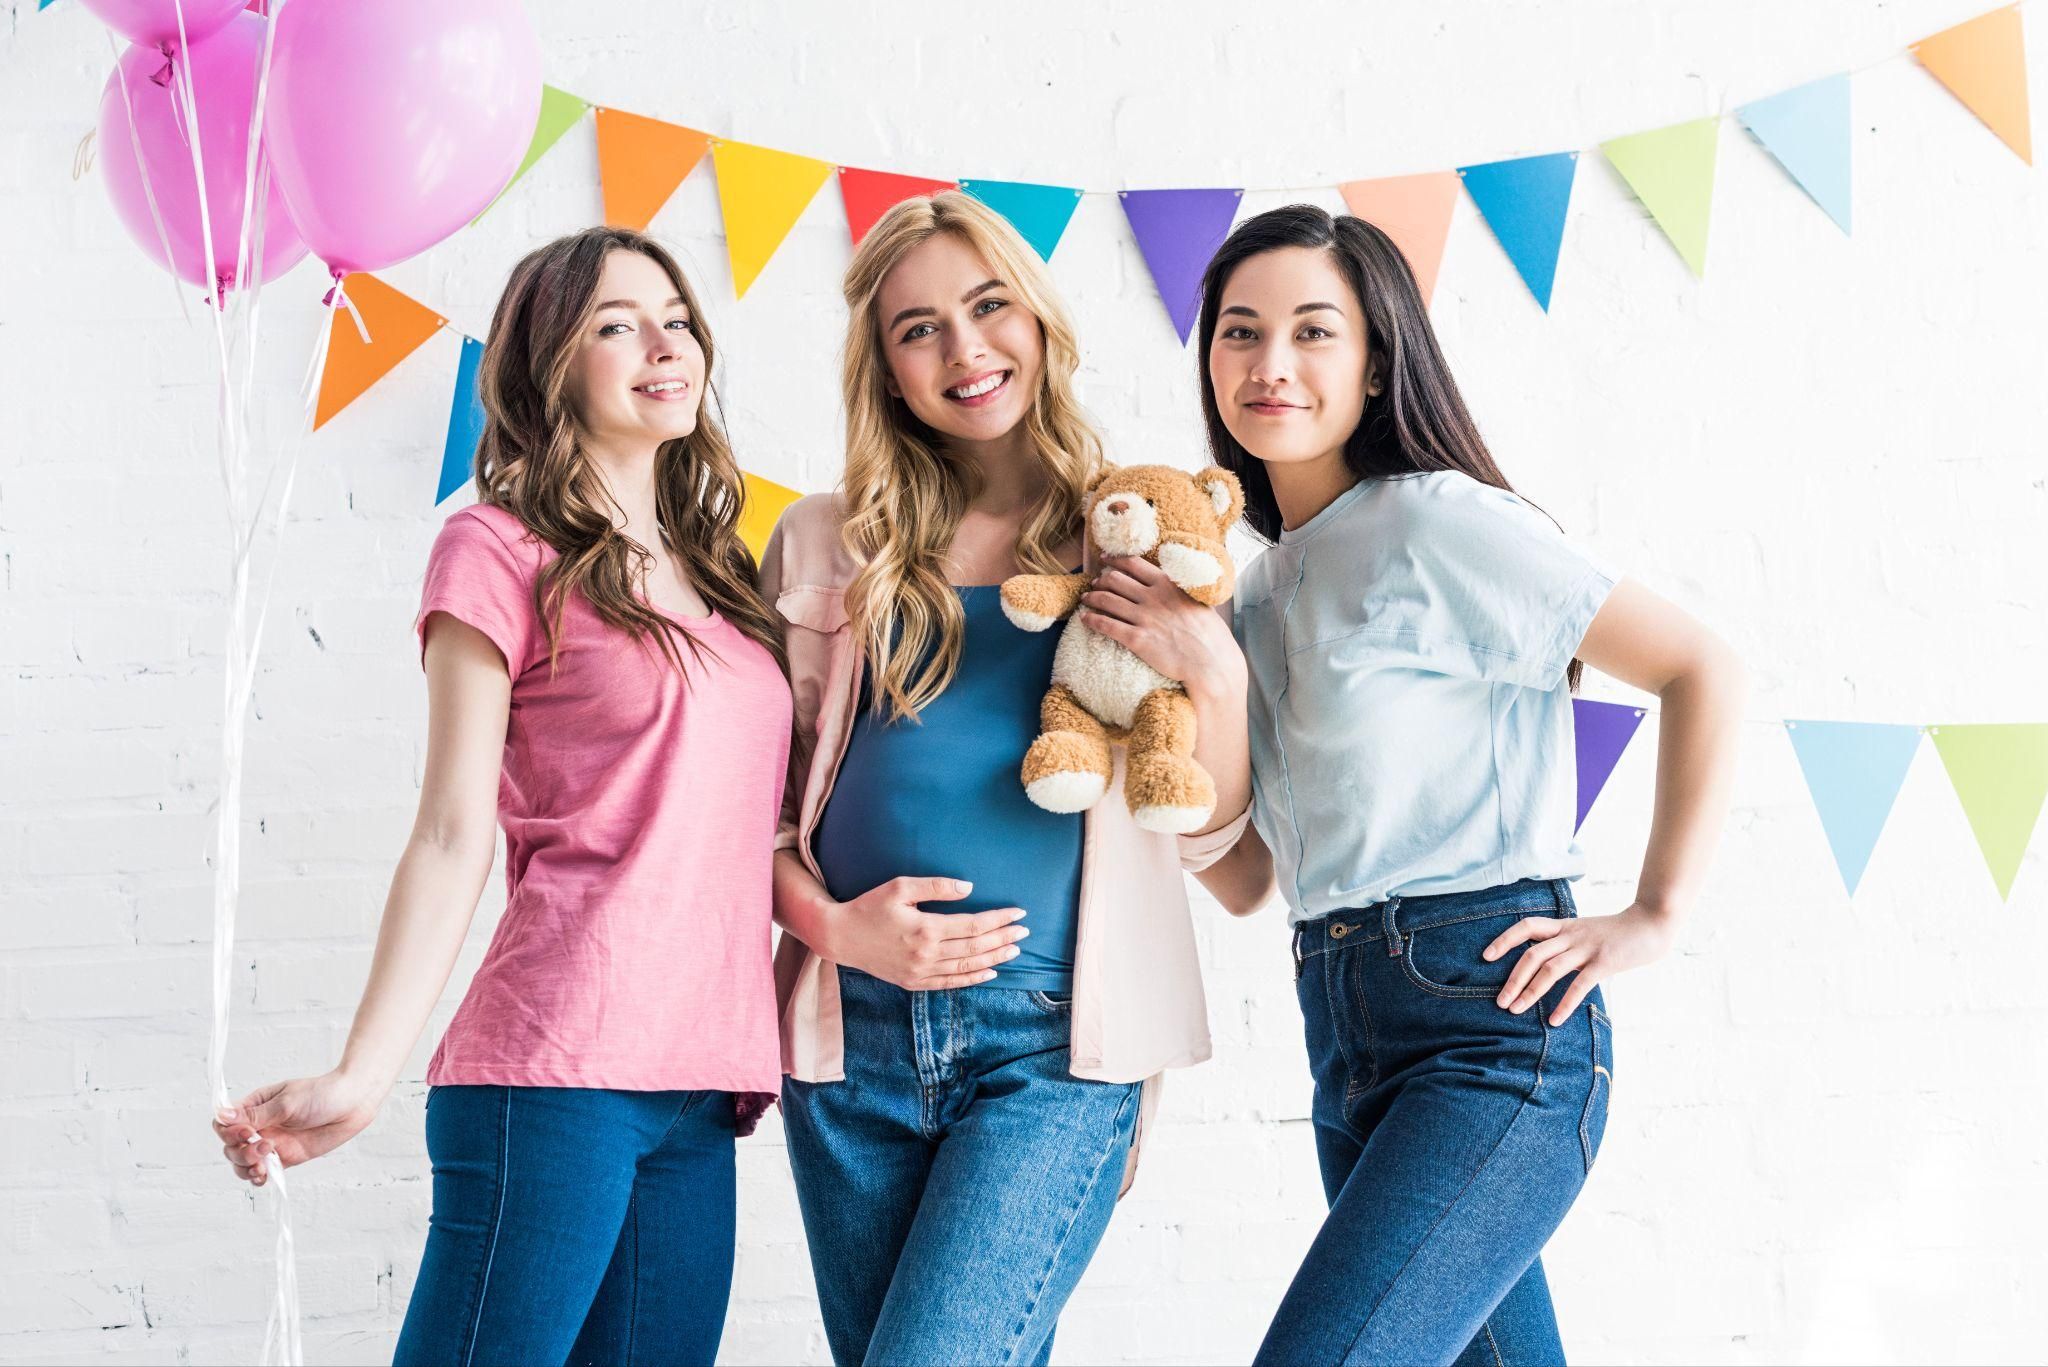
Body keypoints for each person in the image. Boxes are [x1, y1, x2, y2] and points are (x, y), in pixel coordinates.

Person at [209, 226, 792, 1366]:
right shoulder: (494, 547)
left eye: (674, 316)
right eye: (615, 325)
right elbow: (448, 831)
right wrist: (363, 1072)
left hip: (699, 1078)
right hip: (554, 1072)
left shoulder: (723, 568)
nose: (661, 344)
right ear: (549, 366)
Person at [1192, 205, 1747, 1366]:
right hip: (1341, 1036)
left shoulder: (1435, 521)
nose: (1269, 363)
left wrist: (1652, 915)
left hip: (1488, 1030)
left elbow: (1701, 664)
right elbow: (1244, 878)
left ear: (1375, 358)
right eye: (1238, 332)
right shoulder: (1247, 594)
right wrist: (1190, 674)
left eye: (1310, 330)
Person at [761, 191, 1253, 1366]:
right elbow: (757, 820)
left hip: (1051, 1049)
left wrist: (1215, 677)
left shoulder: (1134, 533)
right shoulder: (826, 542)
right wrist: (834, 925)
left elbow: (1221, 853)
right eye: (918, 327)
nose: (965, 349)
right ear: (882, 368)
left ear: (1037, 320)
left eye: (988, 308)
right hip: (849, 1043)